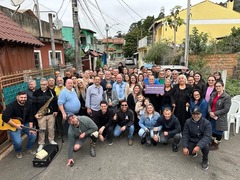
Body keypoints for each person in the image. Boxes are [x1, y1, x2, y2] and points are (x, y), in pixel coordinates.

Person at [2, 91, 37, 159]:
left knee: (33, 135)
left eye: (25, 97)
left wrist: (31, 128)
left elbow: (30, 117)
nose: (23, 99)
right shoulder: (11, 105)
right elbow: (5, 117)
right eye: (21, 97)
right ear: (17, 97)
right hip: (14, 125)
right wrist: (15, 125)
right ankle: (18, 151)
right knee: (18, 142)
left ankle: (29, 148)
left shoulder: (29, 104)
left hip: (24, 123)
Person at [33, 78, 58, 152]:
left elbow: (55, 102)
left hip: (50, 113)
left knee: (51, 128)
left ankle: (51, 140)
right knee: (41, 129)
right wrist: (35, 113)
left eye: (44, 84)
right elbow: (33, 104)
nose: (43, 86)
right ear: (39, 84)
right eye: (41, 84)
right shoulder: (36, 93)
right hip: (40, 114)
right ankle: (41, 143)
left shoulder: (52, 92)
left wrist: (55, 110)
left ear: (47, 84)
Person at [208, 81, 231, 150]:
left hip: (220, 117)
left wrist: (215, 113)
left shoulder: (226, 97)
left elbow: (226, 109)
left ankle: (216, 144)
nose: (218, 87)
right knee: (212, 129)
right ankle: (212, 142)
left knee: (219, 131)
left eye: (219, 86)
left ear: (223, 87)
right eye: (216, 86)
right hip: (212, 115)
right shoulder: (213, 94)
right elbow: (209, 104)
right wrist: (209, 111)